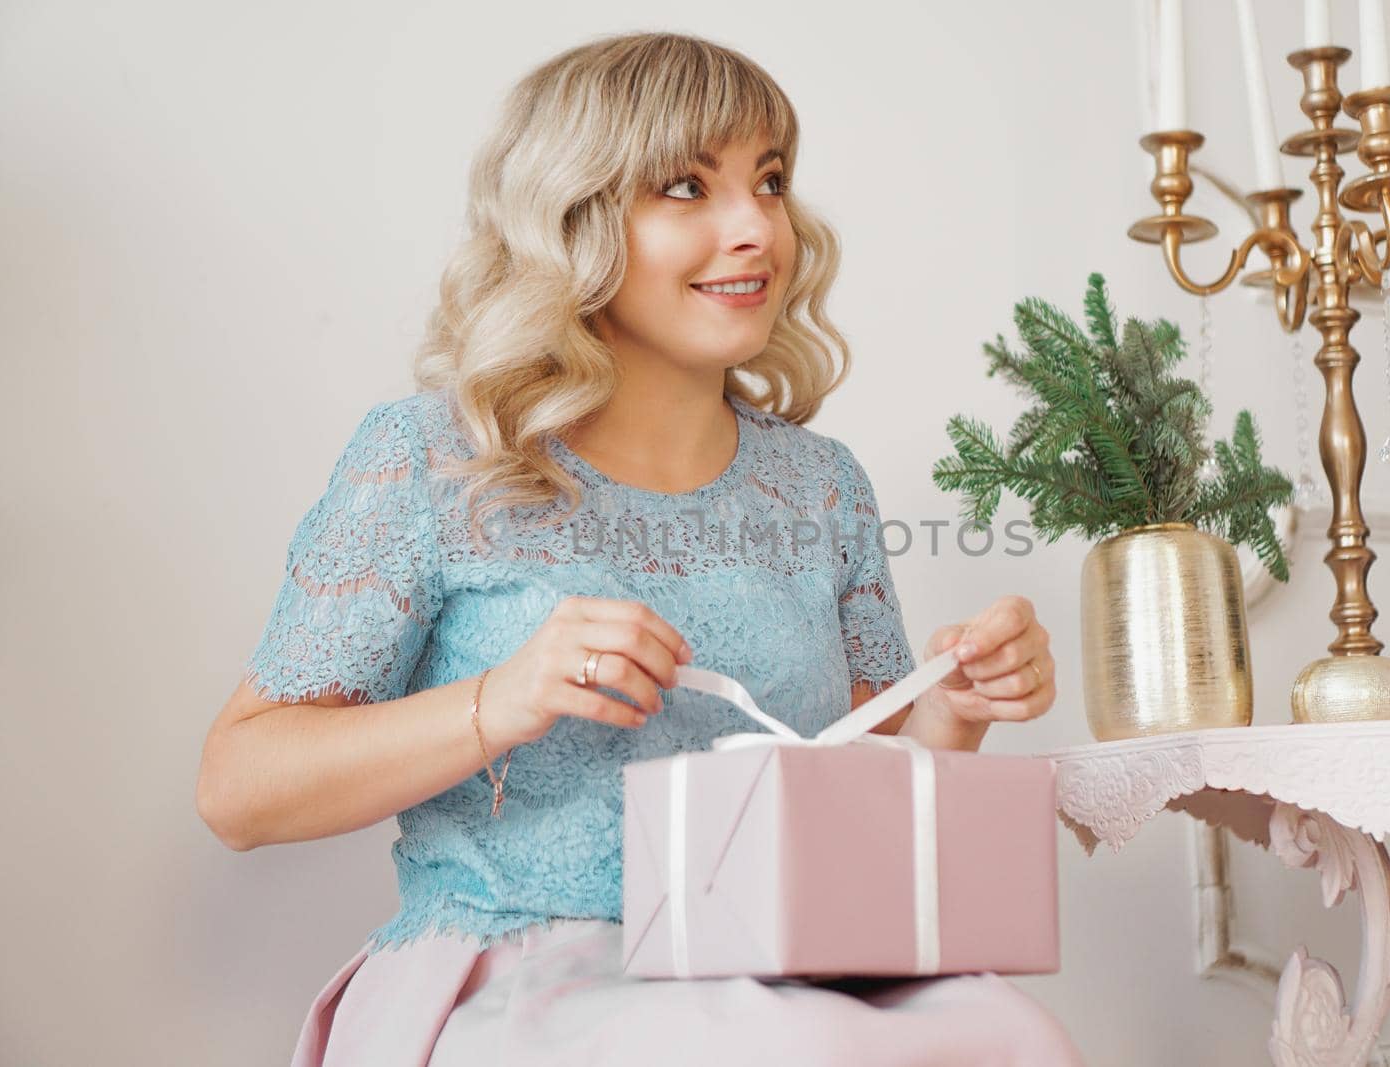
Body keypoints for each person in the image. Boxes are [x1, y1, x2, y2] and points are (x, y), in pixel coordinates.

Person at [196, 30, 1084, 1067]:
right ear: (573, 221)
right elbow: (237, 788)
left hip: (783, 973)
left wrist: (947, 707)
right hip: (521, 979)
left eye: (770, 181)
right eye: (685, 187)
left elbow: (856, 811)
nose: (756, 226)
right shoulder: (435, 458)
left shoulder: (819, 484)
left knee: (1017, 1036)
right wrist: (507, 696)